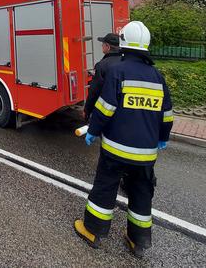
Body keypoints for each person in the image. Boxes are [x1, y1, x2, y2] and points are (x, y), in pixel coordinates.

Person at [74, 21, 173, 258]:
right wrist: (162, 137)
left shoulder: (118, 72)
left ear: (124, 43)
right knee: (141, 193)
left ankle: (92, 230)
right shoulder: (157, 76)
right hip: (147, 153)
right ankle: (137, 240)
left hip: (116, 150)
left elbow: (105, 107)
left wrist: (93, 131)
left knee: (105, 188)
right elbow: (166, 113)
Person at [83, 33, 121, 122]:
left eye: (102, 44)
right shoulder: (125, 61)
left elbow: (94, 91)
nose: (102, 46)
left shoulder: (102, 65)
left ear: (107, 46)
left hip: (106, 112)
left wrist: (87, 110)